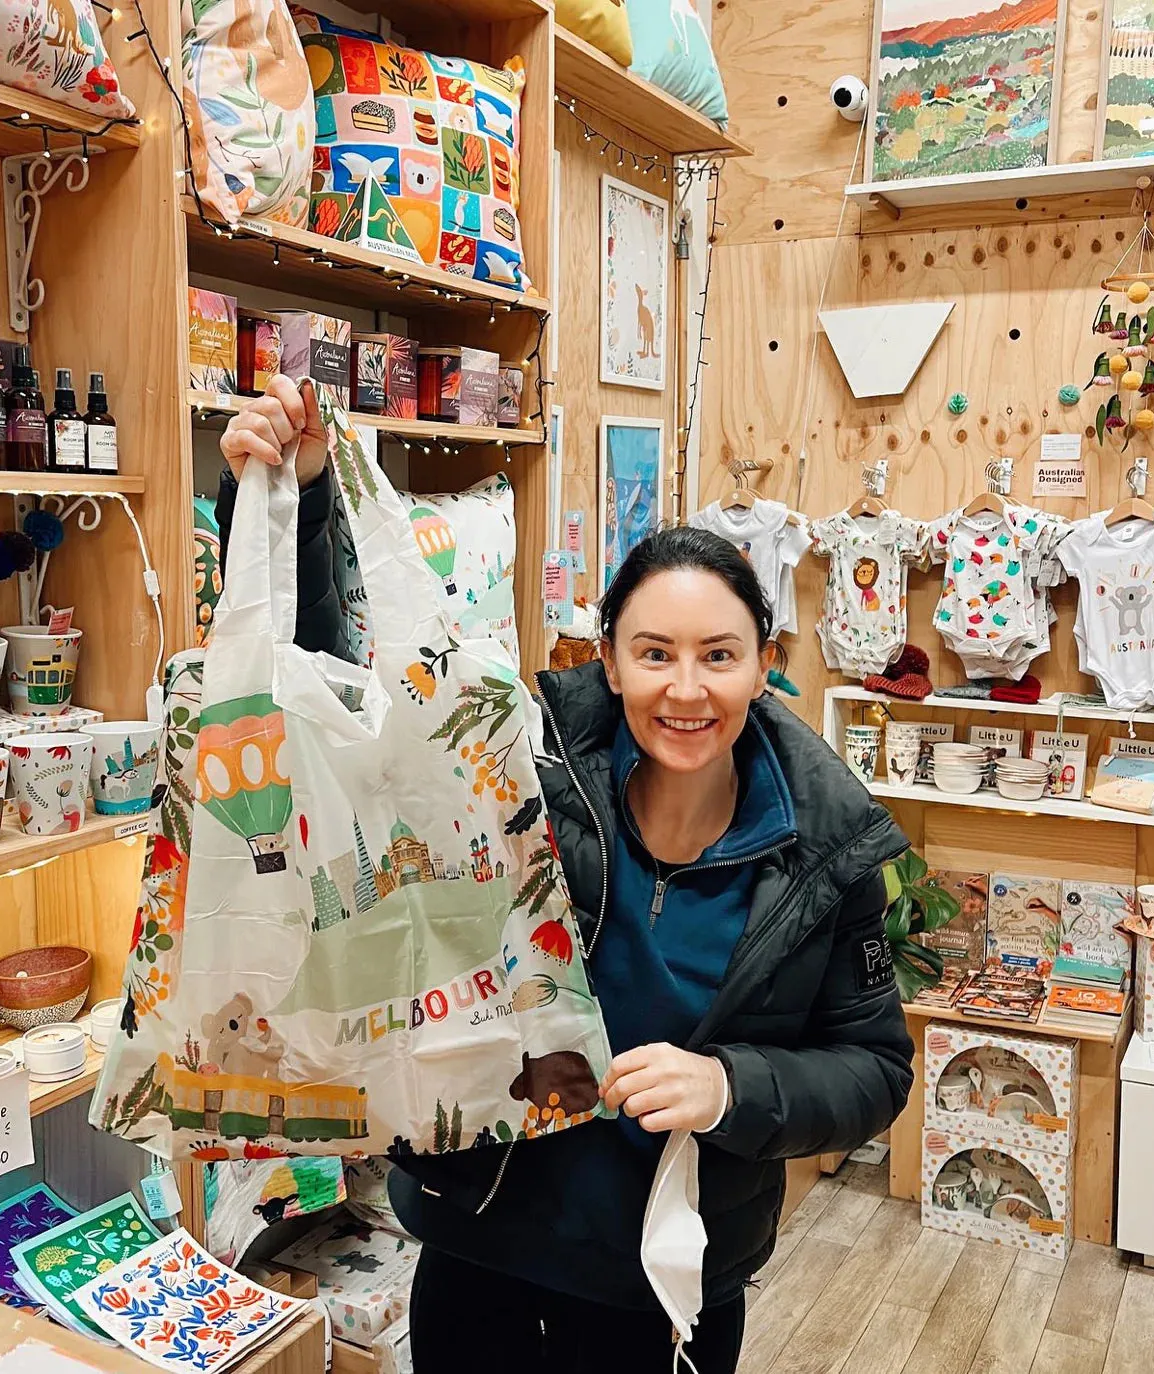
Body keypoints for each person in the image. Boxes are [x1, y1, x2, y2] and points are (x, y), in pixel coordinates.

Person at [218, 377, 915, 1374]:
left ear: (765, 664)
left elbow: (873, 1072)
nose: (685, 688)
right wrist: (303, 490)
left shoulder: (824, 847)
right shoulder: (517, 761)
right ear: (612, 662)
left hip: (663, 1276)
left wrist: (730, 1085)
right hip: (480, 1241)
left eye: (718, 655)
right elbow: (341, 725)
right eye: (654, 653)